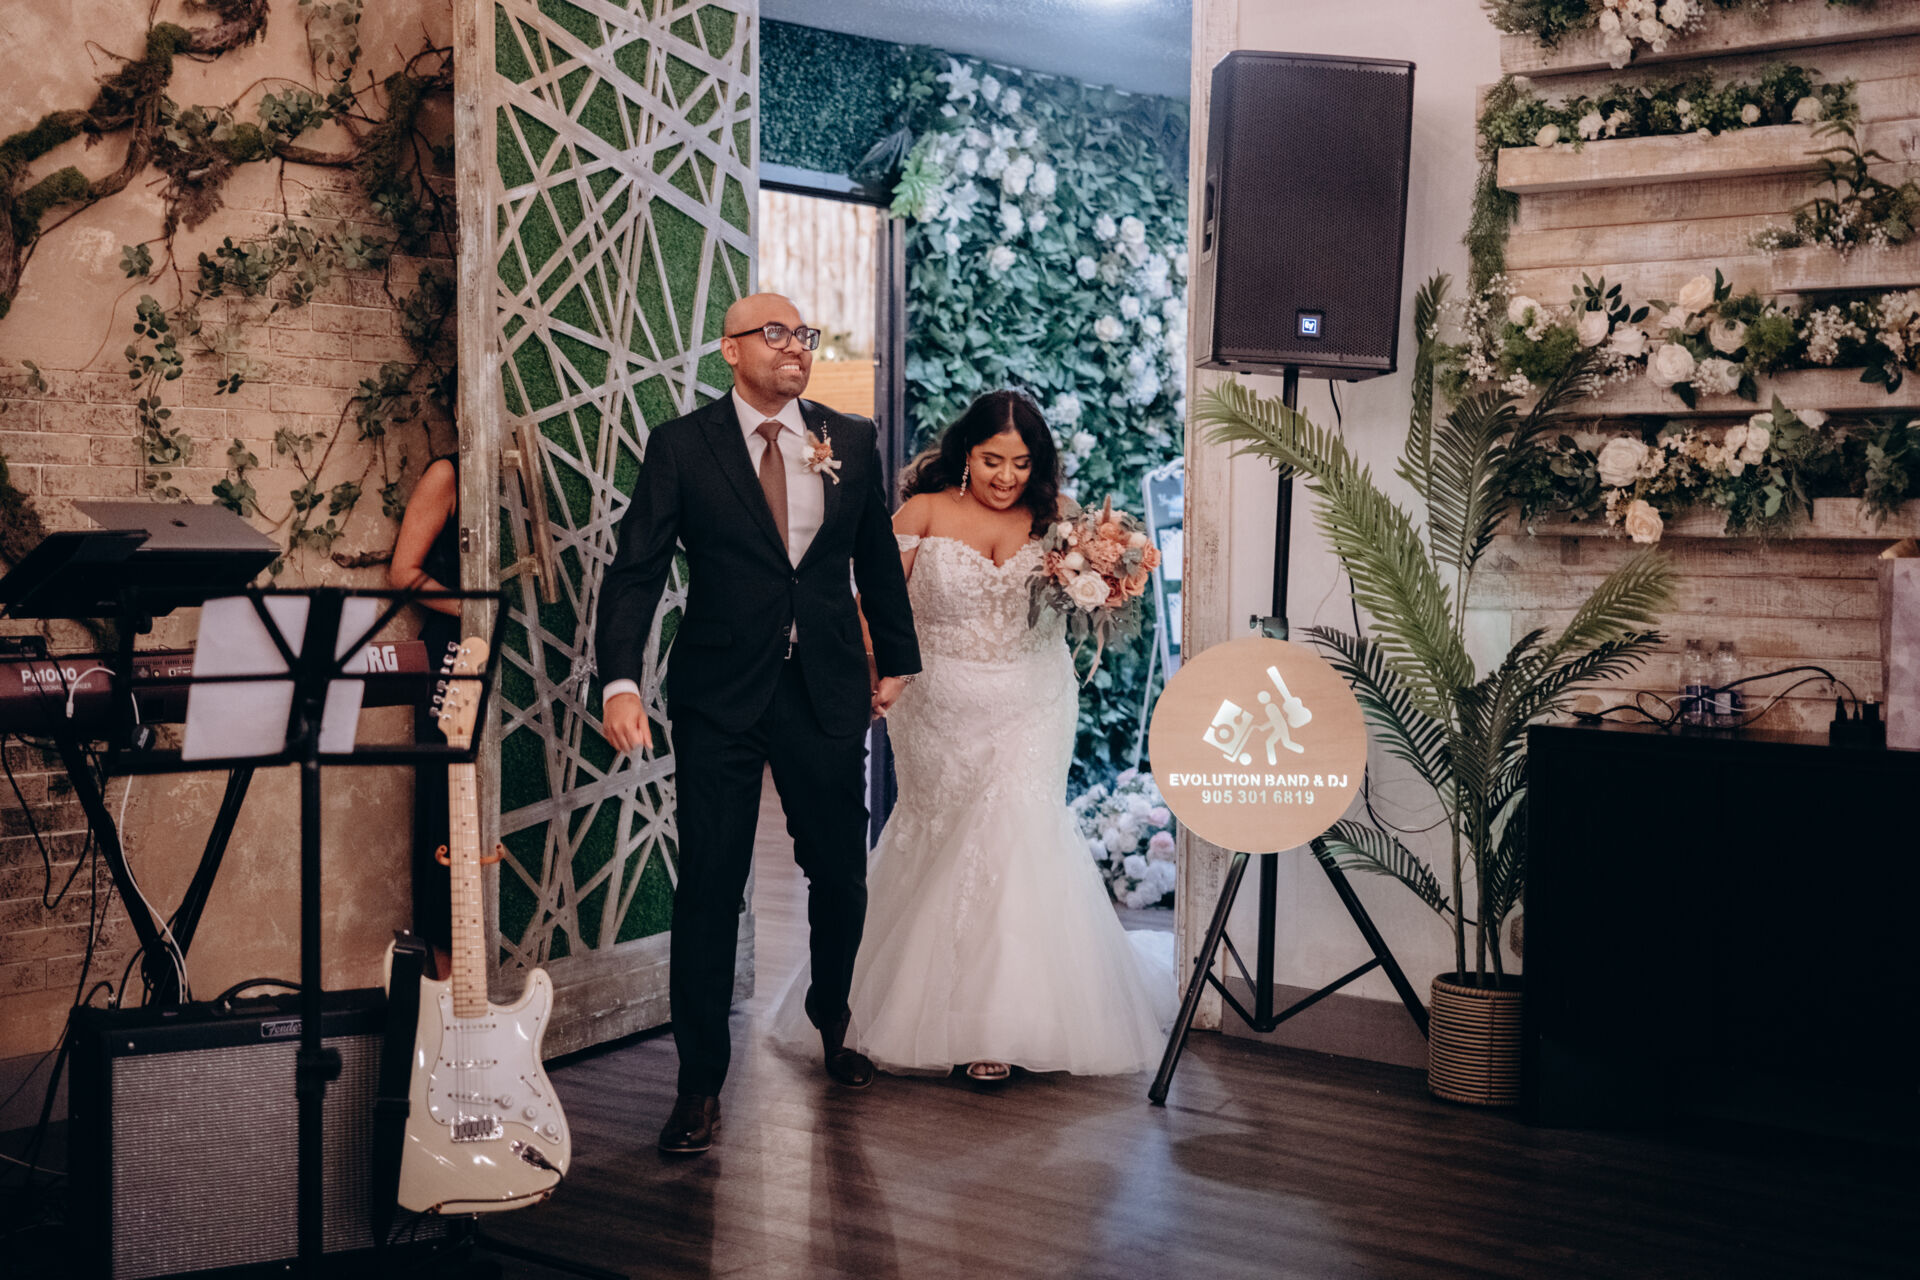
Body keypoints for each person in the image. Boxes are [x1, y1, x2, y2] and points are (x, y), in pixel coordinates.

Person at [593, 292, 920, 1155]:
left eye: (802, 335)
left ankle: (832, 1018)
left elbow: (875, 558)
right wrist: (619, 681)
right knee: (709, 884)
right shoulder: (682, 446)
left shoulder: (850, 439)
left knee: (840, 874)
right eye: (774, 334)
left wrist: (897, 659)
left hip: (825, 689)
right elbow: (636, 571)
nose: (794, 347)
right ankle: (699, 1085)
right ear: (731, 350)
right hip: (719, 694)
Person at [777, 389, 1172, 1083]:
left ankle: (1000, 1026)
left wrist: (1104, 585)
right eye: (992, 460)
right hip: (937, 701)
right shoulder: (923, 513)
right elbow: (872, 604)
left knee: (1016, 826)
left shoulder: (1061, 521)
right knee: (939, 833)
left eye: (1021, 463)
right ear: (966, 452)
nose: (1006, 477)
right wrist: (876, 670)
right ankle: (897, 1003)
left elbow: (1094, 598)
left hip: (1035, 697)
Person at [389, 454, 461, 972]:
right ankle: (446, 977)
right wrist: (471, 607)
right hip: (453, 653)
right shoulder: (447, 475)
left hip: (514, 656)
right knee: (445, 805)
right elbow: (403, 572)